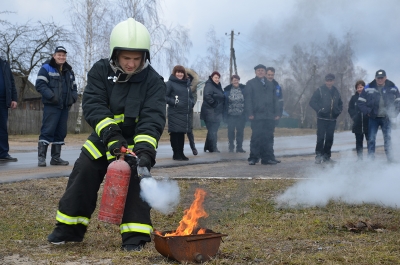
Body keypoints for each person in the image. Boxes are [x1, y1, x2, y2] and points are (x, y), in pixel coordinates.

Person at [47, 18, 166, 251]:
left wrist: (144, 151)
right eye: (125, 58)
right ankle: (68, 229)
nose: (131, 64)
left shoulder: (154, 81)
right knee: (84, 172)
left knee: (138, 179)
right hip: (104, 138)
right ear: (115, 55)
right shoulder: (100, 71)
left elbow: (152, 119)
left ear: (145, 56)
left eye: (136, 58)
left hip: (135, 144)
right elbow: (93, 105)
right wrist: (111, 136)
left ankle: (135, 238)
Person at [35, 46, 78, 167]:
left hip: (64, 107)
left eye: (63, 55)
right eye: (59, 55)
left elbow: (74, 87)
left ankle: (56, 158)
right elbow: (40, 85)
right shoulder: (46, 68)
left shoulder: (69, 71)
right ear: (54, 56)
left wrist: (73, 98)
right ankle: (41, 158)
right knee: (47, 131)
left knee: (60, 132)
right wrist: (52, 97)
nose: (61, 57)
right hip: (51, 106)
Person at [357, 69, 400, 162]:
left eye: (382, 78)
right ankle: (370, 160)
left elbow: (398, 101)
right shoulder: (368, 87)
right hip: (373, 118)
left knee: (387, 139)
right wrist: (368, 111)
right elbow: (360, 102)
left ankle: (390, 159)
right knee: (371, 139)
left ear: (385, 77)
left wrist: (395, 112)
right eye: (378, 78)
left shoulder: (393, 87)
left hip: (386, 118)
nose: (380, 79)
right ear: (375, 78)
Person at [245, 64, 280, 165]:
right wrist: (250, 113)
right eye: (258, 70)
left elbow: (275, 100)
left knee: (268, 137)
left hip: (269, 116)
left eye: (262, 70)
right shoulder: (250, 83)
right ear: (255, 72)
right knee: (256, 137)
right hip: (257, 116)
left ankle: (267, 158)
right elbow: (248, 100)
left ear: (265, 72)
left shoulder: (270, 85)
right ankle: (253, 158)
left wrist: (277, 113)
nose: (260, 72)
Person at [309, 73, 343, 164]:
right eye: (327, 80)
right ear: (325, 81)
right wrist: (320, 110)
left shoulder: (336, 91)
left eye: (331, 80)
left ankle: (327, 157)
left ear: (333, 81)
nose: (329, 82)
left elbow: (340, 104)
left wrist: (338, 111)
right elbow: (312, 102)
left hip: (332, 119)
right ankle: (318, 156)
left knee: (329, 139)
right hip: (322, 119)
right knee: (320, 138)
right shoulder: (320, 90)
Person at [165, 65, 194, 161]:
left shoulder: (186, 84)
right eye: (178, 72)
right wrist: (174, 102)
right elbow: (164, 96)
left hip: (184, 113)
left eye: (181, 72)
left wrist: (191, 103)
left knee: (181, 134)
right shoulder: (170, 83)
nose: (180, 74)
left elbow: (191, 97)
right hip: (175, 112)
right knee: (175, 133)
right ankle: (176, 154)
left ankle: (181, 153)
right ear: (174, 73)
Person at [201, 71, 224, 153]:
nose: (217, 79)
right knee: (212, 130)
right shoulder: (209, 85)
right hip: (209, 112)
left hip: (216, 112)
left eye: (218, 78)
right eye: (215, 77)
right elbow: (207, 96)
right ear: (211, 78)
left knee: (212, 130)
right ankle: (213, 148)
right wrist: (215, 104)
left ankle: (207, 146)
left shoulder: (218, 86)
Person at [0, 57, 18, 162]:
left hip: (3, 101)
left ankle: (3, 153)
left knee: (2, 128)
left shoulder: (5, 64)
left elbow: (11, 82)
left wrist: (14, 98)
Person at [223, 74, 246, 153]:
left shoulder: (243, 89)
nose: (235, 81)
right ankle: (231, 147)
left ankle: (239, 147)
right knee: (230, 132)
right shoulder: (227, 90)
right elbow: (224, 102)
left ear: (239, 81)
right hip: (231, 115)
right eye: (234, 80)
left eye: (237, 80)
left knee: (240, 131)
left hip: (241, 115)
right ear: (231, 81)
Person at [265, 67, 283, 163]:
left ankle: (271, 156)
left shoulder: (277, 86)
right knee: (265, 137)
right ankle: (264, 157)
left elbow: (280, 101)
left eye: (272, 75)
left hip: (273, 115)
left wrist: (278, 113)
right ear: (265, 75)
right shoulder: (263, 85)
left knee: (270, 136)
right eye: (269, 75)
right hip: (264, 115)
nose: (270, 76)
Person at [348, 80, 369, 160]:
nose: (359, 89)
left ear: (364, 87)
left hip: (368, 123)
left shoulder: (368, 97)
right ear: (356, 89)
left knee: (370, 142)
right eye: (358, 87)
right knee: (359, 142)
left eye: (361, 87)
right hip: (358, 124)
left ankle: (370, 158)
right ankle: (360, 159)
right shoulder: (353, 98)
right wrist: (354, 117)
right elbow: (350, 109)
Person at [186, 68, 199, 155]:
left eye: (188, 76)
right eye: (185, 76)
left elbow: (194, 98)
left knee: (189, 131)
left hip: (189, 111)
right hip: (179, 112)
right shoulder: (179, 84)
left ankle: (193, 147)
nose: (186, 77)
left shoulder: (193, 87)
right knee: (178, 132)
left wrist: (190, 105)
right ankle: (179, 151)